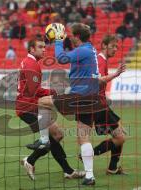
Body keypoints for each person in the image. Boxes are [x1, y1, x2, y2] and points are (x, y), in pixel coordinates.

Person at [31, 23, 101, 185]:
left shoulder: (83, 50)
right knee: (84, 138)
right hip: (91, 97)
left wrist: (58, 40)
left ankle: (43, 140)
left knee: (42, 101)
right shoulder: (90, 49)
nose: (69, 37)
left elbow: (62, 58)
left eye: (71, 35)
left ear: (77, 37)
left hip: (80, 96)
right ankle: (90, 176)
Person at [17, 35, 85, 180]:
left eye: (44, 47)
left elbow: (33, 89)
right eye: (40, 47)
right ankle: (68, 170)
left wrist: (51, 92)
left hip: (30, 106)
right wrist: (53, 92)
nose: (44, 50)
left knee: (58, 134)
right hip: (27, 108)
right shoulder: (31, 64)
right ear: (31, 49)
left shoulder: (30, 62)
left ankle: (29, 160)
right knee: (51, 139)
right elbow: (33, 91)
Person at [90, 34, 127, 175]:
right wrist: (116, 74)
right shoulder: (100, 60)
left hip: (101, 103)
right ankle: (89, 154)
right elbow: (97, 80)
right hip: (98, 105)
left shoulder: (102, 60)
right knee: (120, 137)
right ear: (104, 45)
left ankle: (112, 168)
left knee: (120, 134)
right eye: (113, 46)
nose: (115, 49)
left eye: (117, 46)